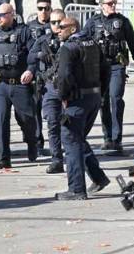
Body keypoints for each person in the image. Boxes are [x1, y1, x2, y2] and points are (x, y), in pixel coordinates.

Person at [54, 16, 110, 200]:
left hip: (76, 101)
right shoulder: (93, 44)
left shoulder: (68, 48)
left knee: (71, 141)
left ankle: (76, 189)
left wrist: (63, 97)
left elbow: (64, 76)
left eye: (61, 26)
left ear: (72, 28)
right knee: (78, 139)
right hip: (93, 97)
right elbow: (106, 70)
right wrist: (100, 92)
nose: (57, 30)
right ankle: (98, 177)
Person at [82, 0, 134, 152]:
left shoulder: (122, 22)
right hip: (99, 67)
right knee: (102, 102)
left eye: (114, 3)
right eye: (109, 3)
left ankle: (117, 139)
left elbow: (133, 44)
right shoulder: (92, 23)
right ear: (102, 5)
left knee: (116, 98)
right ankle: (107, 137)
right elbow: (82, 43)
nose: (113, 6)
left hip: (117, 65)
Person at [0, 2, 38, 168]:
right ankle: (3, 158)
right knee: (0, 120)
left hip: (19, 85)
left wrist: (30, 71)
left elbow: (34, 55)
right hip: (0, 85)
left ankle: (32, 143)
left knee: (26, 120)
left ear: (11, 15)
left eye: (2, 15)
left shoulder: (24, 32)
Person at [27, 8, 66, 174]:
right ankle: (57, 159)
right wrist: (40, 55)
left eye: (60, 22)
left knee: (70, 126)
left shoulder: (73, 40)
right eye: (53, 22)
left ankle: (73, 157)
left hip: (68, 88)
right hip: (49, 87)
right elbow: (29, 57)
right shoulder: (43, 40)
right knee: (52, 123)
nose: (57, 25)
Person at [26, 0, 55, 149]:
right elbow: (25, 50)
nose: (43, 11)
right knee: (35, 108)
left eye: (46, 8)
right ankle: (38, 141)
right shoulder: (29, 27)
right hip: (36, 73)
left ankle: (55, 142)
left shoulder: (56, 25)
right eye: (40, 8)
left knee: (52, 110)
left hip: (52, 74)